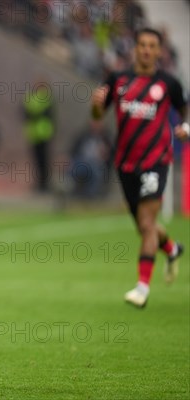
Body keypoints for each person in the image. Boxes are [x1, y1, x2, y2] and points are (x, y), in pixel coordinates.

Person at [91, 27, 189, 308]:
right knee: (145, 227)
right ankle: (171, 248)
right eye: (142, 45)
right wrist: (97, 106)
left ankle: (142, 288)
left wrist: (184, 127)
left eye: (152, 46)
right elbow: (99, 113)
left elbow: (184, 111)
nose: (146, 50)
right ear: (135, 48)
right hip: (125, 163)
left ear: (159, 51)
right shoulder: (118, 79)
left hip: (156, 161)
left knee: (147, 223)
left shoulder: (169, 83)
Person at [22, 77, 56, 193]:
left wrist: (34, 114)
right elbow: (25, 113)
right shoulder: (30, 97)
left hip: (44, 133)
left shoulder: (46, 98)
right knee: (37, 160)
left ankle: (45, 183)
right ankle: (39, 183)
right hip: (34, 134)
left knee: (44, 160)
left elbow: (46, 114)